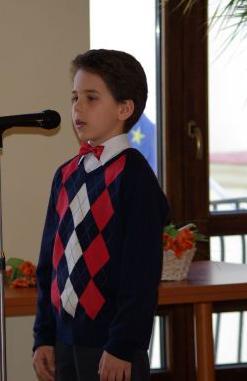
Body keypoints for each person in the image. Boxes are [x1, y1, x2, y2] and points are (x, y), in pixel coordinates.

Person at [32, 49, 169, 381]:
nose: (78, 108)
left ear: (124, 108)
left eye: (91, 98)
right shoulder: (65, 175)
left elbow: (141, 274)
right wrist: (44, 335)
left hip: (112, 345)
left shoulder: (134, 178)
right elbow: (50, 263)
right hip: (65, 339)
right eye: (75, 97)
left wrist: (123, 344)